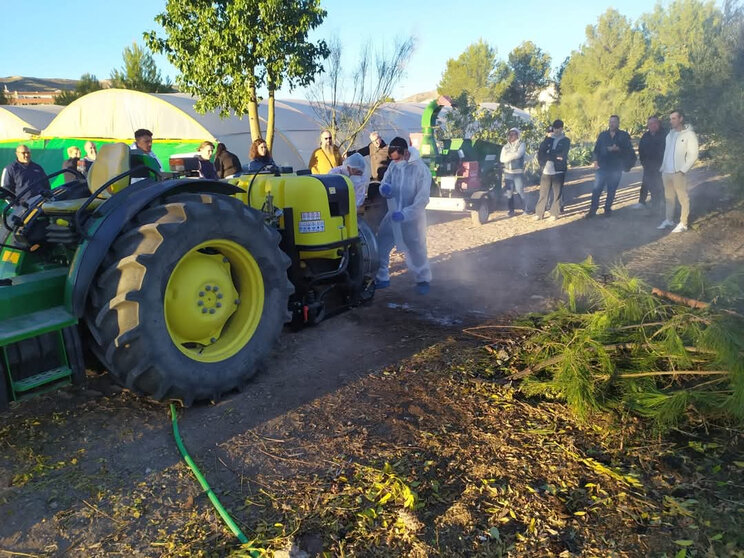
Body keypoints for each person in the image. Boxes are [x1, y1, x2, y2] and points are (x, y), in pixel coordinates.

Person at [375, 137, 432, 295]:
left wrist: (405, 214)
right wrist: (384, 188)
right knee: (383, 242)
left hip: (413, 217)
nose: (396, 162)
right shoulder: (393, 165)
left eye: (398, 158)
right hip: (393, 213)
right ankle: (382, 277)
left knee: (416, 247)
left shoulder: (420, 170)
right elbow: (385, 182)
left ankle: (423, 279)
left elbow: (422, 200)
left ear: (405, 152)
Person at [657, 109, 699, 233]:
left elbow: (693, 154)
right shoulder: (670, 134)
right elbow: (667, 152)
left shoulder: (689, 135)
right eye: (670, 119)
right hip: (666, 172)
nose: (671, 121)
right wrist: (663, 167)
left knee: (683, 198)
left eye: (674, 118)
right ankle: (669, 220)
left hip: (678, 172)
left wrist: (683, 170)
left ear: (681, 119)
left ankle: (683, 223)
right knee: (668, 197)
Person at [587, 115, 636, 218]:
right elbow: (596, 149)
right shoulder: (603, 135)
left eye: (614, 122)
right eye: (610, 122)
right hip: (602, 167)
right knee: (596, 189)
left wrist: (618, 149)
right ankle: (592, 210)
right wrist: (595, 161)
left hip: (616, 168)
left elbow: (629, 151)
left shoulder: (624, 135)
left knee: (611, 189)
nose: (612, 124)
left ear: (618, 123)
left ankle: (607, 209)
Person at [534, 120, 570, 221]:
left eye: (558, 128)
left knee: (557, 193)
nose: (556, 130)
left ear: (561, 128)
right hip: (546, 169)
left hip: (559, 170)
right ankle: (539, 213)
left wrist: (549, 155)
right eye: (554, 128)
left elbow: (562, 155)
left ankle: (554, 213)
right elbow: (541, 152)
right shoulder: (548, 139)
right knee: (543, 193)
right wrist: (552, 156)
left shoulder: (566, 140)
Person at [633, 116, 667, 212]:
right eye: (650, 124)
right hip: (648, 166)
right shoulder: (645, 136)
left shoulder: (665, 135)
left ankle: (664, 204)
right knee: (647, 184)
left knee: (661, 185)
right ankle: (643, 203)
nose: (652, 125)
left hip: (662, 166)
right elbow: (641, 150)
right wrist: (644, 163)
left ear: (658, 124)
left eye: (654, 123)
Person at [500, 127, 531, 216]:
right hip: (508, 173)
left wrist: (509, 156)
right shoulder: (505, 147)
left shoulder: (521, 144)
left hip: (518, 172)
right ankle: (511, 211)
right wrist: (512, 155)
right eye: (510, 134)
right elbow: (502, 159)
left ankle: (526, 209)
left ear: (517, 135)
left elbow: (519, 154)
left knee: (520, 190)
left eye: (513, 134)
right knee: (509, 193)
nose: (511, 136)